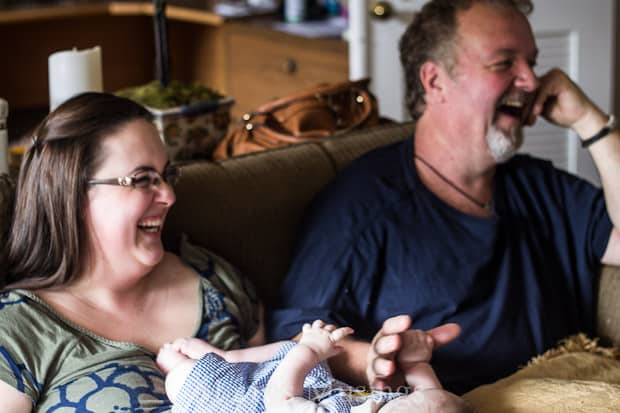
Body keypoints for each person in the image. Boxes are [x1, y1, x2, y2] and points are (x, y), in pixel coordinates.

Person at [267, 0, 620, 396]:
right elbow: (293, 336)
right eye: (505, 63)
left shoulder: (539, 185)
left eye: (531, 63)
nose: (531, 81)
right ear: (434, 81)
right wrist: (374, 361)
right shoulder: (362, 205)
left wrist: (590, 121)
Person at [0, 92, 261, 411]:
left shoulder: (216, 283)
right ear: (73, 193)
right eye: (142, 180)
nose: (169, 195)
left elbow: (292, 390)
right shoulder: (16, 332)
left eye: (167, 175)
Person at [156, 320, 473, 413]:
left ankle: (183, 367)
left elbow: (278, 398)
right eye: (405, 398)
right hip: (313, 388)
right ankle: (226, 357)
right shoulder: (421, 405)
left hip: (258, 404)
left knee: (185, 380)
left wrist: (309, 350)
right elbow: (430, 393)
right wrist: (415, 362)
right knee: (288, 350)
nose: (394, 398)